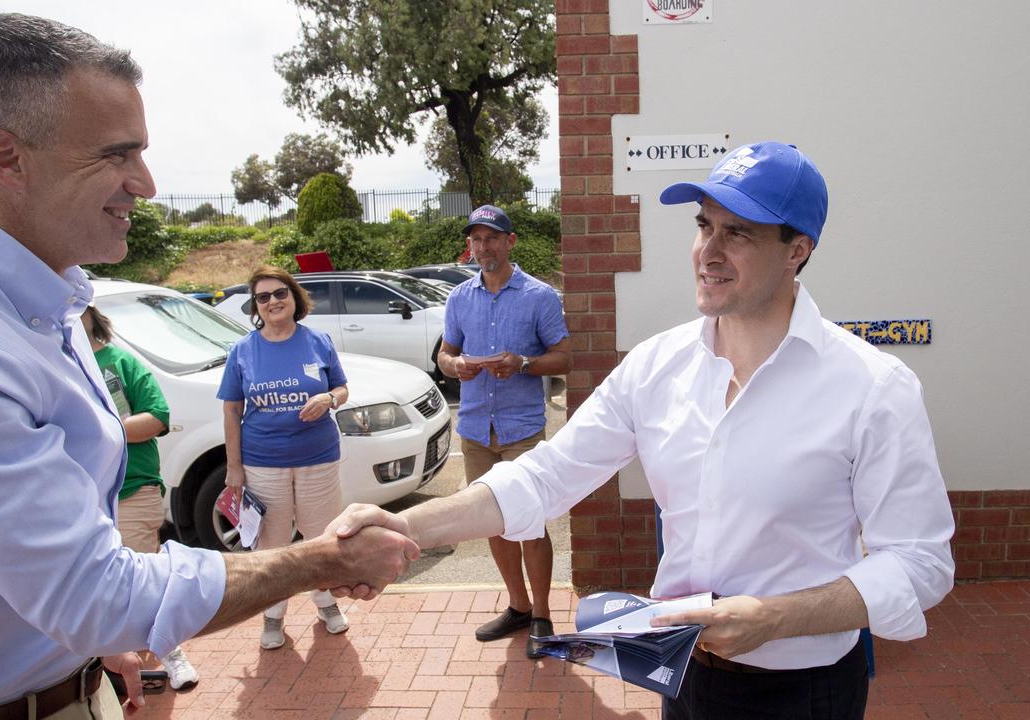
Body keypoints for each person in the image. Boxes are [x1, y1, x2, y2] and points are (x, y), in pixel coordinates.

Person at [0, 14, 416, 720]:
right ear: (5, 157)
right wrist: (322, 559)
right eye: (116, 155)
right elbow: (94, 595)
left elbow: (34, 569)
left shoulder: (41, 305)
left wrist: (79, 651)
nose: (144, 184)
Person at [333, 142, 955, 719]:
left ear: (799, 249)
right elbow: (546, 476)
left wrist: (776, 618)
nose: (708, 252)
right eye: (704, 225)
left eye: (737, 232)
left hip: (802, 686)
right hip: (680, 671)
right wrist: (405, 525)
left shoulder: (873, 387)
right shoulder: (658, 366)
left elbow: (922, 563)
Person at [435, 204, 570, 658]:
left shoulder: (539, 296)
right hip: (475, 429)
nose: (483, 246)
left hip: (521, 431)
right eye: (476, 239)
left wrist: (524, 363)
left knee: (529, 523)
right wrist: (453, 365)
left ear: (510, 242)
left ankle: (543, 616)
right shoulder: (459, 298)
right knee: (494, 521)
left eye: (491, 238)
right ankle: (517, 605)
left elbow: (566, 357)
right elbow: (446, 354)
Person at [218, 265, 352, 650]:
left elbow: (341, 388)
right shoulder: (243, 350)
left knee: (321, 538)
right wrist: (234, 469)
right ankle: (273, 614)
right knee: (272, 547)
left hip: (318, 459)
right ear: (256, 306)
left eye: (280, 293)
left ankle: (325, 600)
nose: (273, 301)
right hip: (263, 463)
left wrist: (328, 399)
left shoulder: (317, 341)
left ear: (294, 297)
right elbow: (231, 411)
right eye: (263, 297)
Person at [81, 305, 198, 691]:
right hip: (82, 495)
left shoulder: (118, 361)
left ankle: (172, 653)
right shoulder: (52, 362)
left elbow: (157, 417)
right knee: (98, 583)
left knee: (142, 576)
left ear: (89, 312)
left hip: (132, 489)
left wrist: (100, 429)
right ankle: (115, 665)